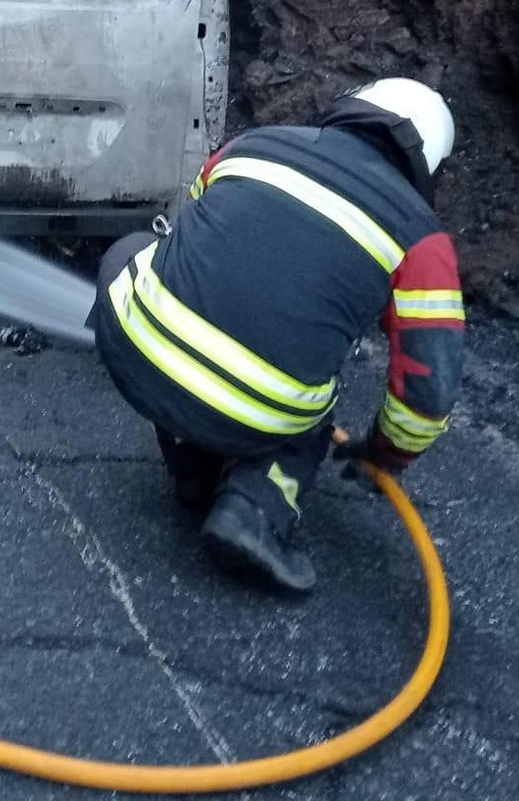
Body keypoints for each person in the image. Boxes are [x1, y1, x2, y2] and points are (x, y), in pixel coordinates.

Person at [90, 78, 464, 593]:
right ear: (429, 163)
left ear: (353, 108)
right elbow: (428, 390)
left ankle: (193, 467)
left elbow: (188, 236)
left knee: (135, 250)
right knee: (311, 410)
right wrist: (385, 453)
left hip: (137, 354)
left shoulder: (250, 145)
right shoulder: (421, 237)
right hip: (259, 411)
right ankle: (254, 511)